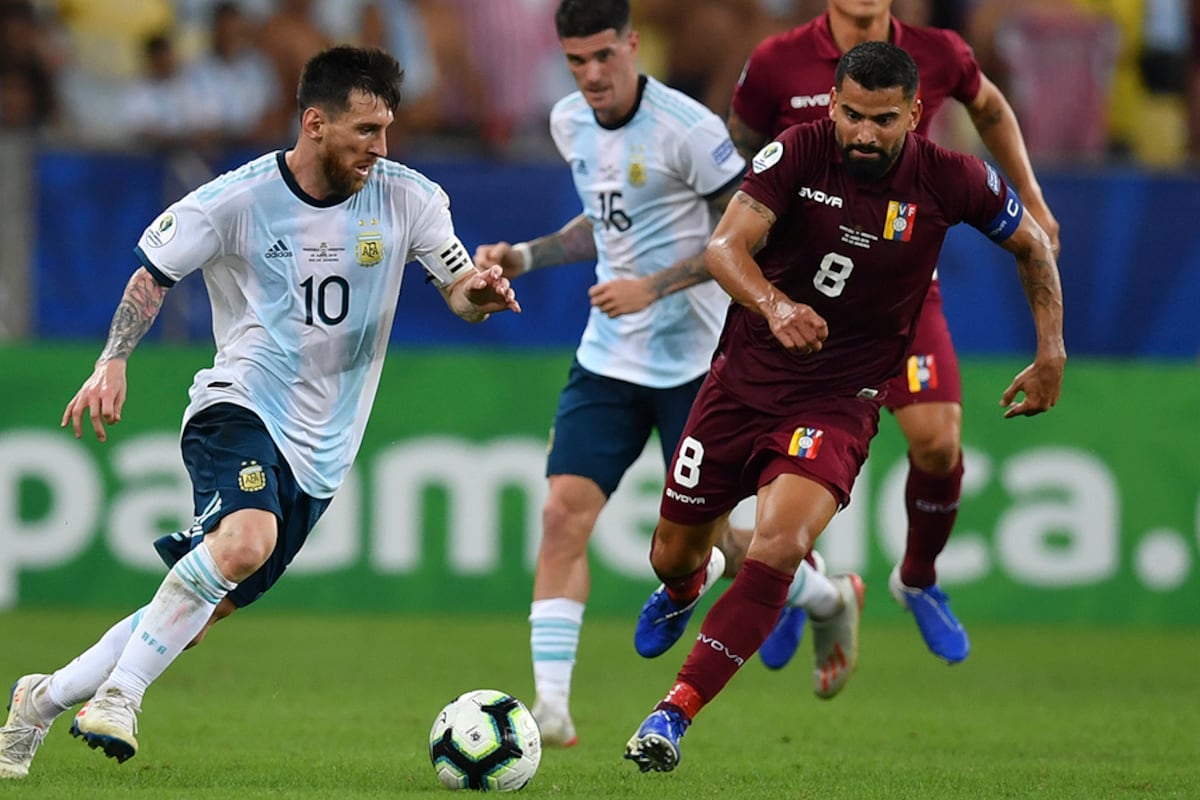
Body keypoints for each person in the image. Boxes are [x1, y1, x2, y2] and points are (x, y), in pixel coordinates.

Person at [0, 44, 520, 779]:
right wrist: (112, 358)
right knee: (244, 539)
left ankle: (39, 701)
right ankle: (121, 695)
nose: (382, 147)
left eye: (387, 130)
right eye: (366, 131)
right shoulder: (236, 200)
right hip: (238, 403)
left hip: (323, 454)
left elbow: (459, 289)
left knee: (197, 614)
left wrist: (484, 296)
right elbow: (153, 275)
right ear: (315, 124)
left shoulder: (409, 198)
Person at [624, 40, 1065, 773]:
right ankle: (690, 583)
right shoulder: (798, 152)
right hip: (742, 383)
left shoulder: (951, 178)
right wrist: (774, 304)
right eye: (852, 115)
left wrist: (1051, 352)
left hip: (839, 398)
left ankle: (673, 714)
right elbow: (725, 250)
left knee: (777, 546)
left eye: (883, 120)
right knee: (673, 553)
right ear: (832, 104)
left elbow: (1033, 247)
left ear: (915, 115)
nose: (863, 133)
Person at [472, 0, 849, 748]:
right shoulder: (568, 123)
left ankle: (825, 597)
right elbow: (607, 224)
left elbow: (746, 234)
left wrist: (653, 286)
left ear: (633, 45)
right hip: (608, 360)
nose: (590, 76)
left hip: (701, 367)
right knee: (560, 518)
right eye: (576, 61)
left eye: (603, 57)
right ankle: (551, 707)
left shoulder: (690, 130)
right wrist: (527, 256)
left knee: (719, 545)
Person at [719, 0, 1063, 666]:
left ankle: (918, 579)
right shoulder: (774, 60)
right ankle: (799, 576)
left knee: (937, 444)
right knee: (772, 452)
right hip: (795, 298)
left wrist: (1033, 197)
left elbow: (989, 108)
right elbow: (736, 150)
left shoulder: (938, 54)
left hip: (897, 291)